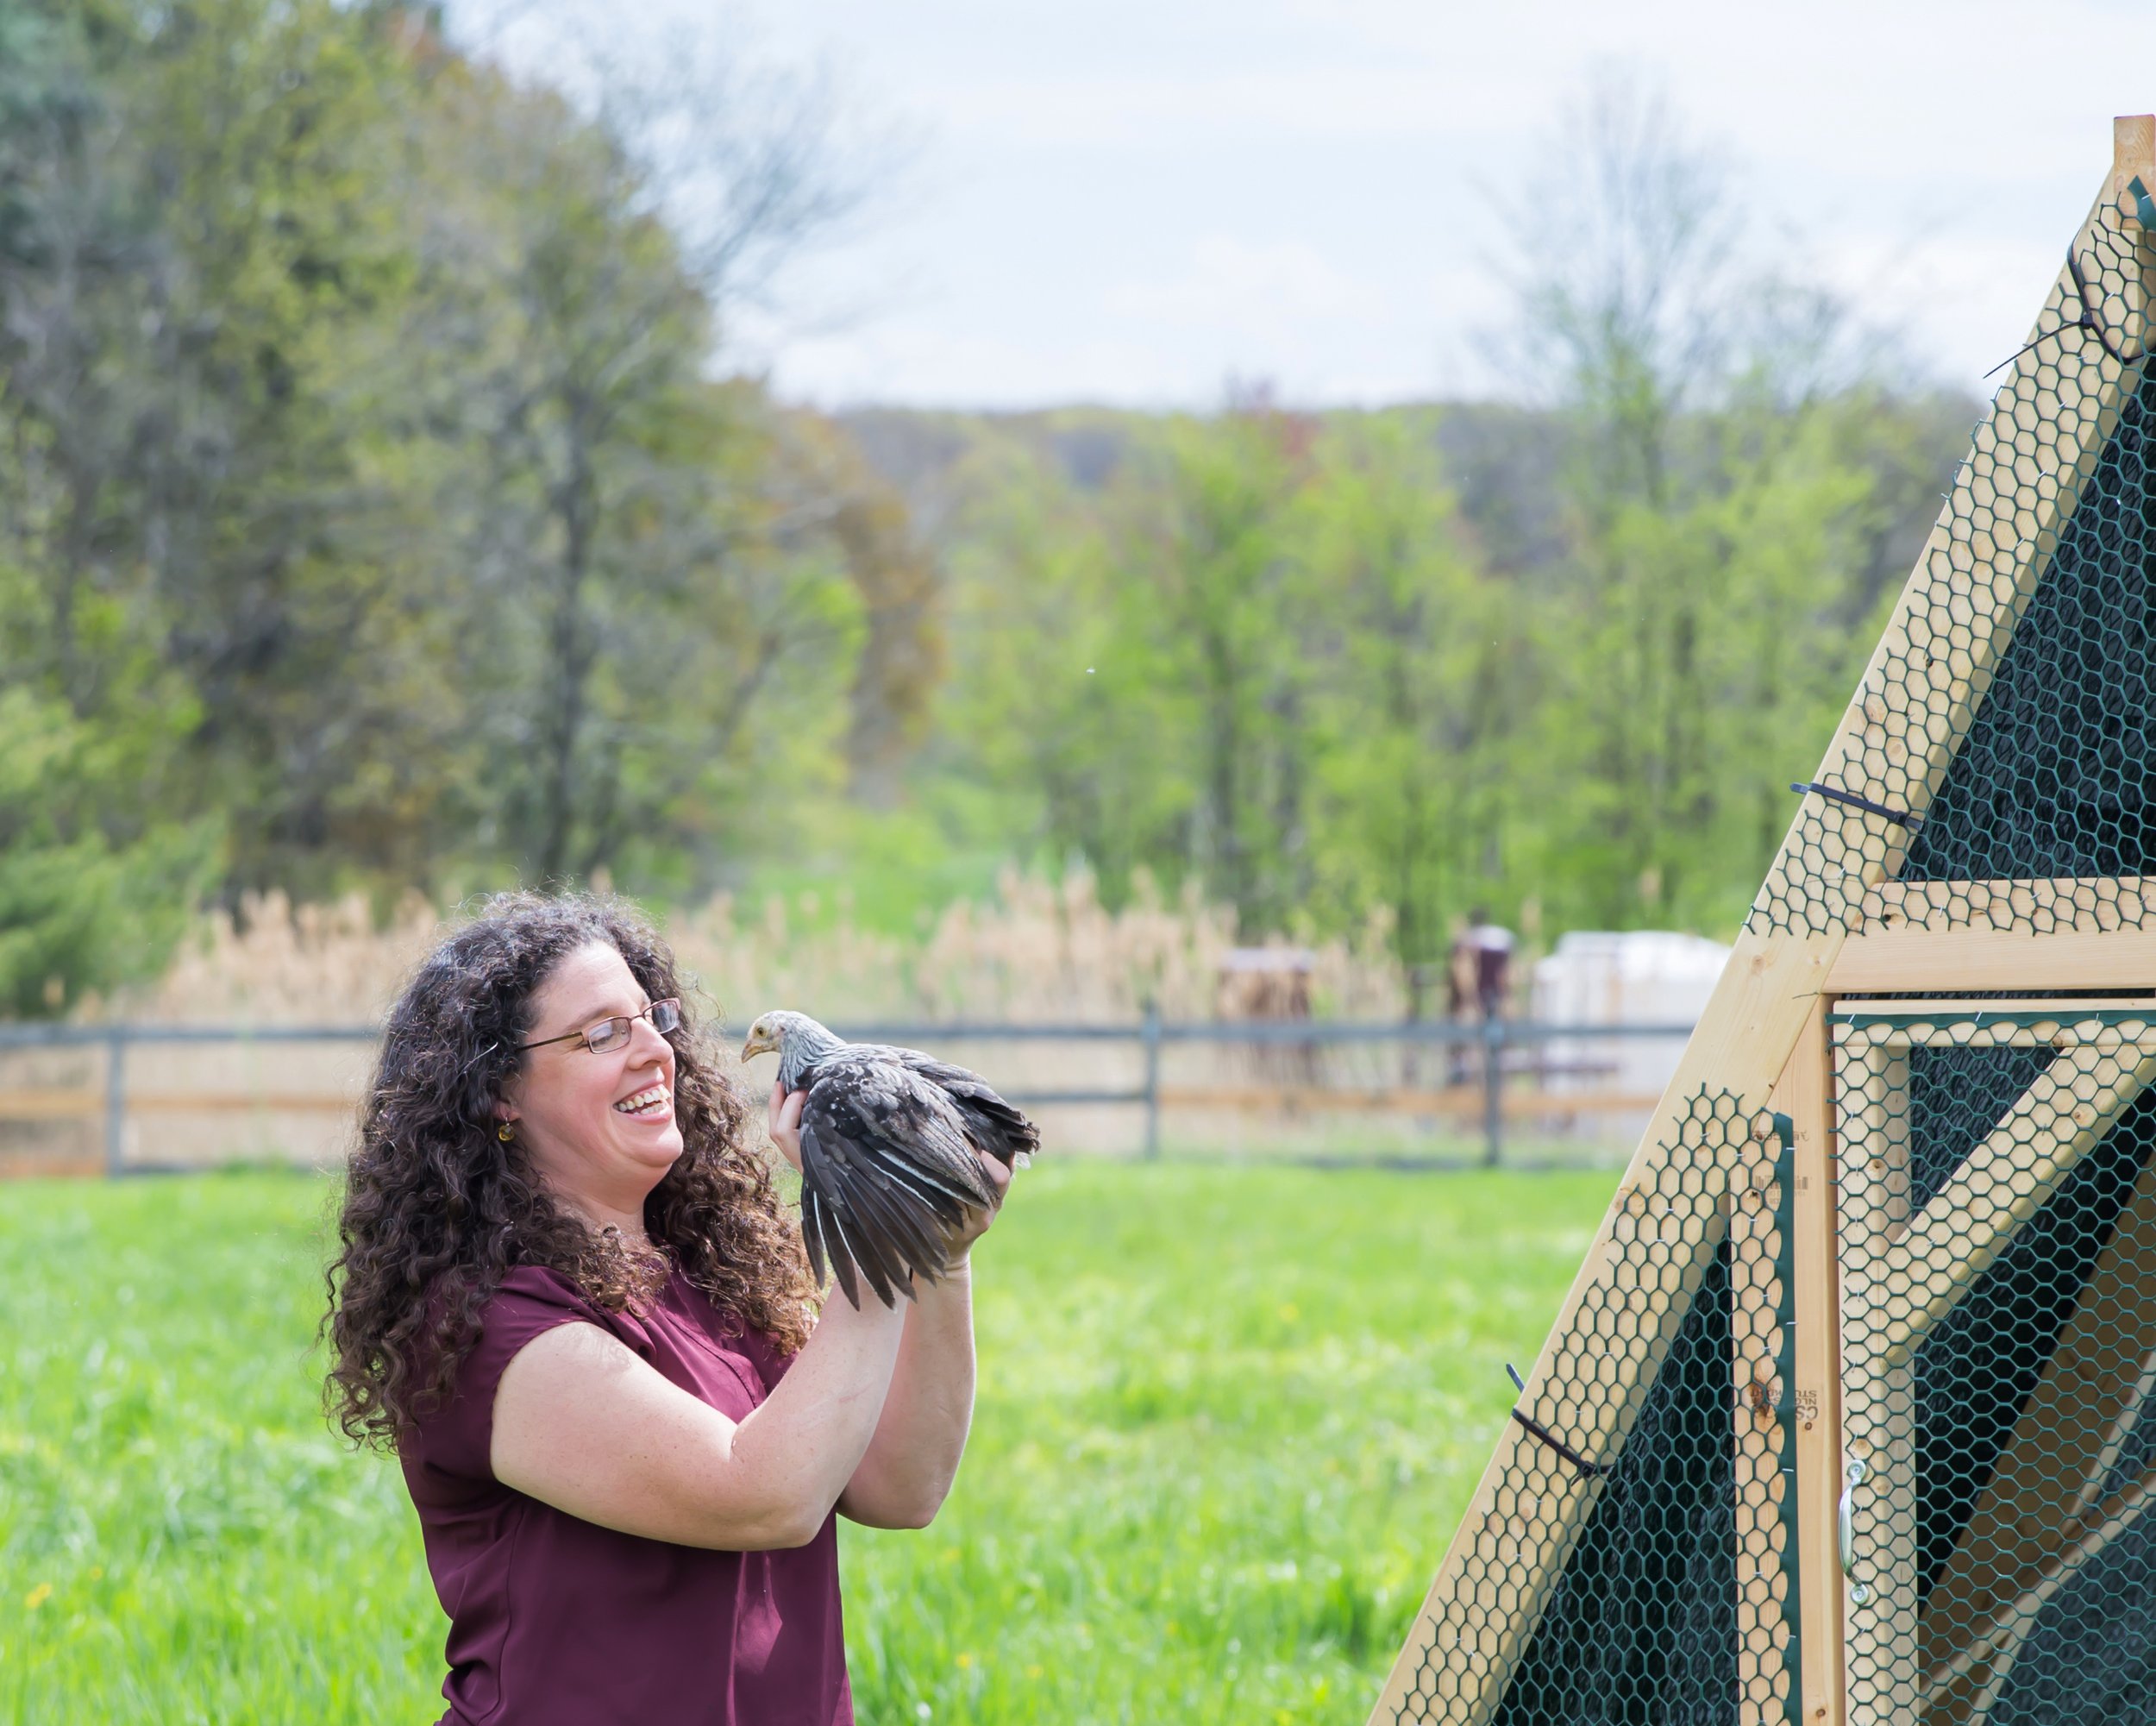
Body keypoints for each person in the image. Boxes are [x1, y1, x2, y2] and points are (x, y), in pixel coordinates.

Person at [323, 891, 1009, 1725]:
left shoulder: (718, 1273)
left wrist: (939, 1248)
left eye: (653, 1017)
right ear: (499, 1094)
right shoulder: (491, 1328)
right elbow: (766, 1492)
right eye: (602, 1032)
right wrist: (872, 1213)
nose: (656, 1050)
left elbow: (902, 1489)